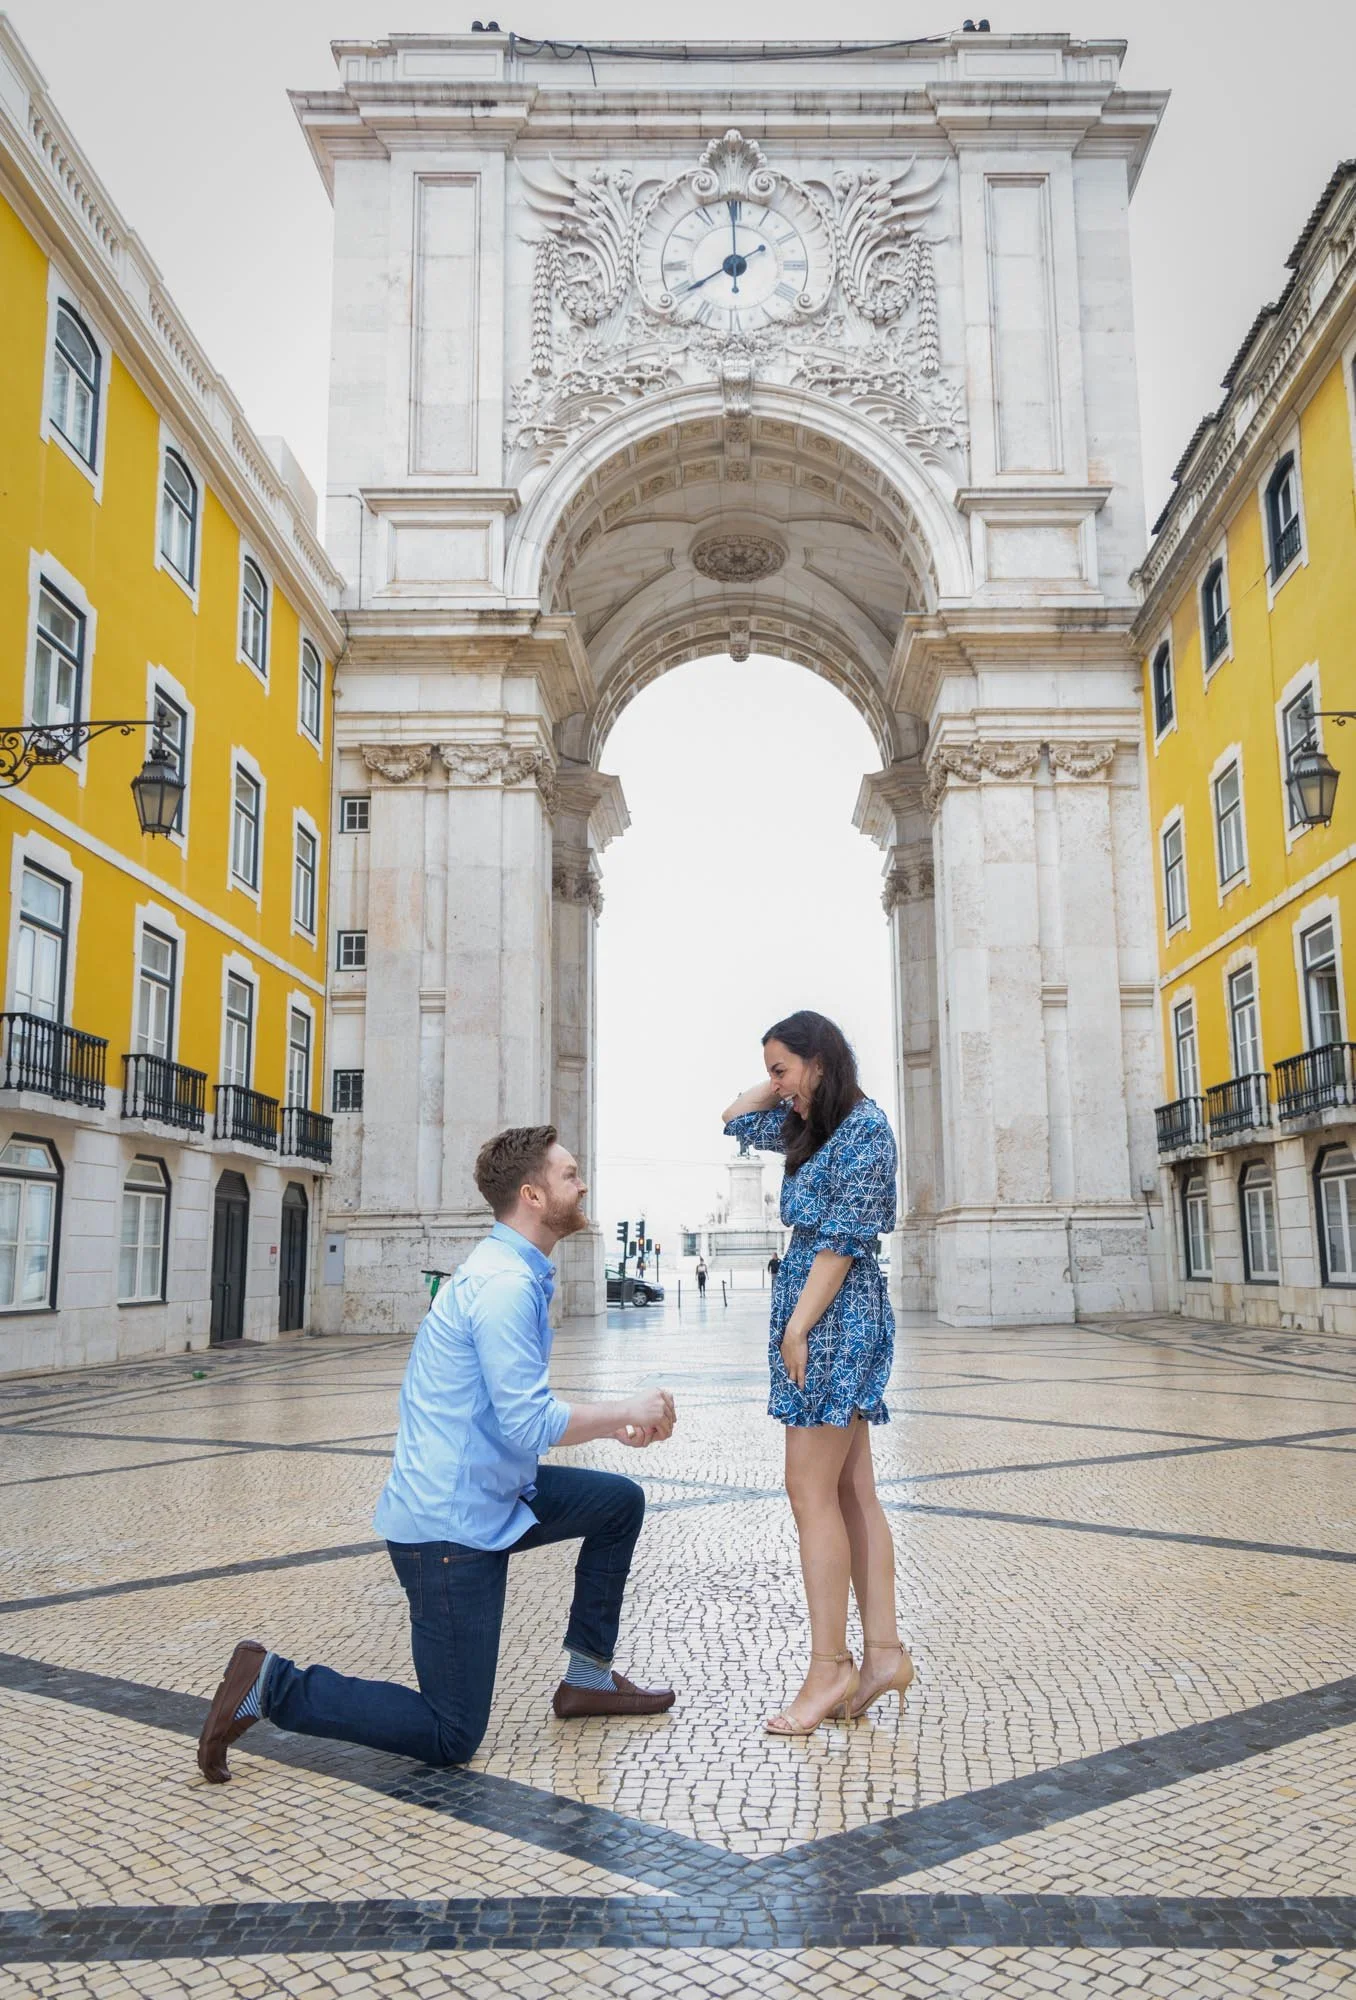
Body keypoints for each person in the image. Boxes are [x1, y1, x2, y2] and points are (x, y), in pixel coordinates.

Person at [197, 1125, 677, 1785]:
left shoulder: (513, 1271)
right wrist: (624, 1412)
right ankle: (271, 1685)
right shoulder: (504, 1285)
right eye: (570, 1175)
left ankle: (587, 1676)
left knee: (617, 1503)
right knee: (451, 1732)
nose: (583, 1182)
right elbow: (530, 1420)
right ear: (533, 1195)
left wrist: (605, 1426)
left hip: (494, 1494)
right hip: (450, 1528)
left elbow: (514, 1413)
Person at [721, 1010, 913, 1736]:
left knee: (808, 1489)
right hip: (819, 1311)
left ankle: (830, 1666)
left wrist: (797, 1330)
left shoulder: (866, 1131)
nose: (774, 1085)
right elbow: (734, 1118)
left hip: (833, 1319)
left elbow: (838, 1244)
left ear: (821, 1061)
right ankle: (884, 1654)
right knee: (850, 1488)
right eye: (770, 1070)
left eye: (783, 1069)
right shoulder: (817, 1126)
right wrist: (779, 1088)